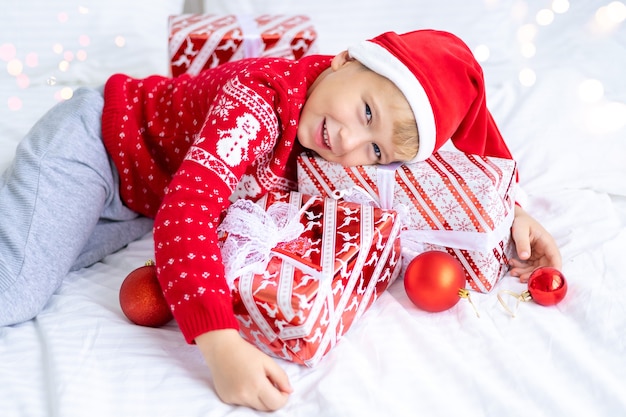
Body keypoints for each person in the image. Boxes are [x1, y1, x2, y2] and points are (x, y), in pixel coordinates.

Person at [0, 29, 561, 411]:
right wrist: (220, 345)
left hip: (141, 197)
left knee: (47, 254)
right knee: (17, 292)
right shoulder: (260, 103)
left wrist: (511, 211)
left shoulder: (335, 126)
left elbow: (452, 151)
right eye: (365, 112)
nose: (350, 143)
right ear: (345, 58)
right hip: (98, 142)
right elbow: (187, 212)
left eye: (376, 152)